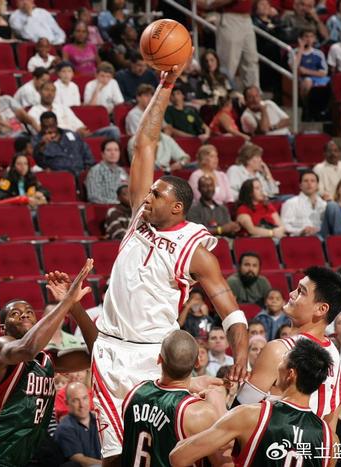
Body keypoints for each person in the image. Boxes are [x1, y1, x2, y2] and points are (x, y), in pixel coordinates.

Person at [91, 65, 250, 465]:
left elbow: (229, 309)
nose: (147, 197)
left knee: (164, 454)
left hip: (153, 360)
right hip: (108, 350)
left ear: (177, 207)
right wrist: (166, 85)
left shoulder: (195, 249)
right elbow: (145, 143)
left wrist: (241, 353)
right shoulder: (137, 217)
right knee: (114, 457)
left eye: (156, 195)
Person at [0, 260, 97, 466]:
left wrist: (75, 306)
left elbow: (96, 354)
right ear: (3, 328)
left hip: (22, 460)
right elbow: (28, 348)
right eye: (15, 314)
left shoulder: (48, 360)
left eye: (29, 312)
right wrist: (66, 302)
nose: (23, 314)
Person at [170, 338, 335, 467]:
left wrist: (216, 405)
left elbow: (178, 457)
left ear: (290, 374)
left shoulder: (251, 415)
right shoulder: (330, 439)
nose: (277, 366)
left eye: (282, 361)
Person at [234, 266, 341, 425]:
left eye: (301, 291)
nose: (291, 294)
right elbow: (330, 428)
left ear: (321, 309)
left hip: (274, 440)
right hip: (313, 440)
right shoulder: (334, 355)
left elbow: (237, 415)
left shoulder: (279, 350)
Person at [121, 330, 226, 466]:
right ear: (197, 362)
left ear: (159, 359)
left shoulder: (135, 393)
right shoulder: (198, 413)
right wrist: (220, 408)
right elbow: (224, 463)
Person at [53, 381, 102, 465]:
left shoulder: (100, 421)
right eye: (75, 400)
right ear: (67, 403)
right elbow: (80, 460)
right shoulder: (64, 428)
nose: (82, 405)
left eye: (84, 398)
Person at [33, 111, 95, 175]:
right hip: (60, 176)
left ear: (56, 124)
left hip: (81, 173)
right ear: (41, 126)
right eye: (45, 127)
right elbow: (38, 161)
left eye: (52, 126)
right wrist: (42, 144)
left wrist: (88, 168)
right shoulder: (37, 140)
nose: (49, 129)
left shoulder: (71, 134)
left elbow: (85, 150)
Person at [280, 170, 327, 237]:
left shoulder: (325, 205)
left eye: (312, 181)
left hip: (322, 236)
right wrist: (301, 231)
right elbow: (284, 226)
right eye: (305, 181)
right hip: (300, 238)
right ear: (300, 186)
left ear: (317, 186)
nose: (309, 183)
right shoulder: (290, 203)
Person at [85, 139, 128, 204]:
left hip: (124, 207)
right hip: (107, 207)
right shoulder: (95, 171)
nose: (113, 153)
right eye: (109, 150)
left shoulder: (122, 171)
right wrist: (117, 203)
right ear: (103, 154)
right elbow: (94, 197)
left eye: (116, 150)